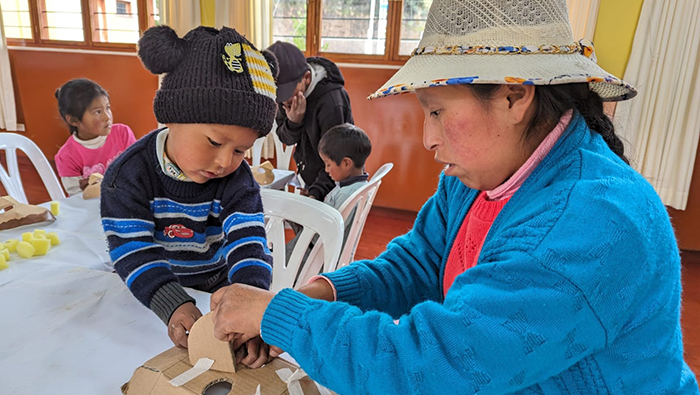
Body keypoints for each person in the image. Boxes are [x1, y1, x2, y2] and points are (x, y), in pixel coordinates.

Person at [209, 0, 700, 393]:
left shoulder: (590, 225)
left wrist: (280, 315)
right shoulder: (482, 178)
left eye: (439, 112)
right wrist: (316, 293)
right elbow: (421, 263)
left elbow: (429, 366)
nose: (428, 138)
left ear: (514, 94)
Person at [101, 25, 277, 368]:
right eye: (214, 142)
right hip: (152, 290)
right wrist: (172, 303)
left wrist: (251, 302)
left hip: (219, 290)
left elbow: (249, 243)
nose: (225, 161)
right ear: (173, 117)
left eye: (241, 150)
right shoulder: (127, 177)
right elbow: (133, 251)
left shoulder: (237, 181)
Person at [267, 41, 353, 201]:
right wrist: (294, 122)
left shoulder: (331, 102)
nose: (284, 100)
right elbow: (285, 138)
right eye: (278, 95)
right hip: (310, 180)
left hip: (335, 184)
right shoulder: (285, 97)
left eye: (287, 92)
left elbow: (337, 157)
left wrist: (316, 193)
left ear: (306, 77)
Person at [285, 123, 372, 263]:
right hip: (322, 248)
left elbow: (327, 231)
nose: (326, 170)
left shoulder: (347, 195)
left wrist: (303, 215)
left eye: (328, 164)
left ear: (346, 163)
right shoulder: (355, 186)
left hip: (317, 255)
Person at [54, 78, 136, 196]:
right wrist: (89, 191)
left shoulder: (123, 133)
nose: (107, 117)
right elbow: (77, 197)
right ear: (73, 120)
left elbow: (137, 171)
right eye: (98, 112)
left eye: (107, 108)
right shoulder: (66, 156)